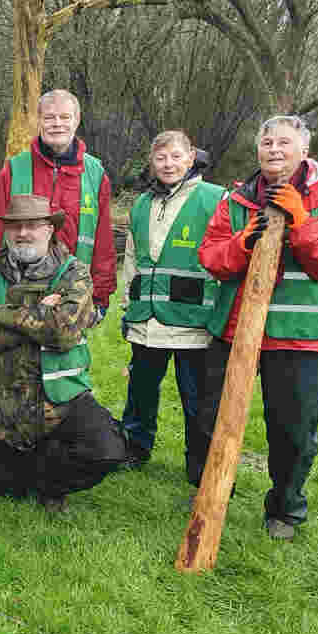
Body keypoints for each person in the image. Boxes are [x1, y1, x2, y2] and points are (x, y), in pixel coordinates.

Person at [191, 115, 318, 540]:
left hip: (299, 336)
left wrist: (302, 223)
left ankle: (285, 509)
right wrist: (242, 242)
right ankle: (212, 493)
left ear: (304, 149)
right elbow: (211, 257)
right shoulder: (236, 199)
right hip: (233, 330)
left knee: (291, 428)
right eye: (267, 142)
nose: (274, 149)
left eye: (284, 142)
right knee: (208, 417)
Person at [0, 194, 127, 513]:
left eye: (32, 225)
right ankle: (28, 463)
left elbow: (62, 332)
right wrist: (35, 318)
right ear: (6, 231)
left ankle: (51, 482)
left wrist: (1, 314)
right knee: (8, 491)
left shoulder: (74, 273)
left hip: (59, 400)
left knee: (109, 451)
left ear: (50, 229)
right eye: (15, 226)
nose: (23, 233)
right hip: (3, 407)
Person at [118, 130, 224, 470]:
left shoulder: (215, 198)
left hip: (194, 319)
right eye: (161, 158)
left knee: (196, 399)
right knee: (141, 391)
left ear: (191, 158)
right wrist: (128, 303)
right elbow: (132, 258)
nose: (169, 164)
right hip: (146, 319)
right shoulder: (142, 203)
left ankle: (200, 464)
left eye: (176, 157)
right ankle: (135, 448)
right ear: (152, 162)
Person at [0, 89, 116, 325]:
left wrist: (100, 297)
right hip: (16, 287)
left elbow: (102, 241)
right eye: (49, 117)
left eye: (64, 117)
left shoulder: (95, 174)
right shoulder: (15, 168)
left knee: (65, 358)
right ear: (39, 121)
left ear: (77, 120)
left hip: (71, 289)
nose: (57, 124)